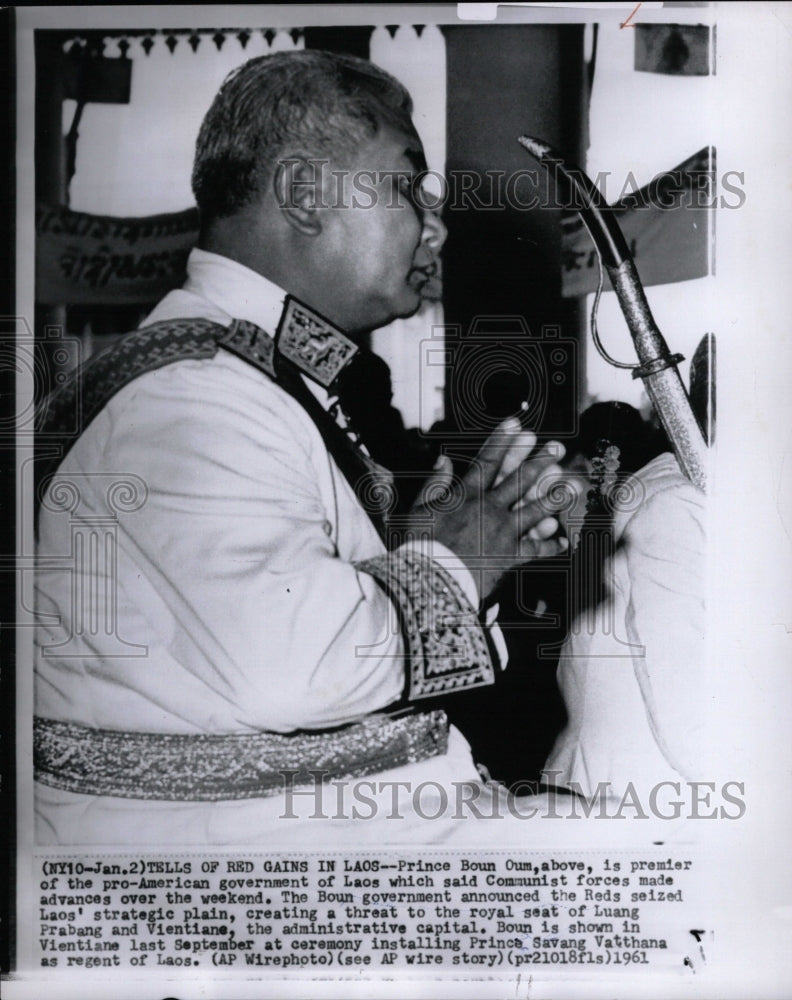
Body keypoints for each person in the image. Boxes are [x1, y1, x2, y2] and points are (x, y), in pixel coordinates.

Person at [33, 50, 576, 846]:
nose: (436, 220)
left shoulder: (247, 371)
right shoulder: (195, 395)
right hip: (236, 874)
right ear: (303, 195)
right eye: (405, 183)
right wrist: (461, 559)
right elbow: (290, 668)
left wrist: (427, 549)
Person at [542, 402, 708, 803]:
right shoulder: (657, 497)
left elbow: (671, 659)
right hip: (621, 776)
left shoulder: (667, 501)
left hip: (634, 774)